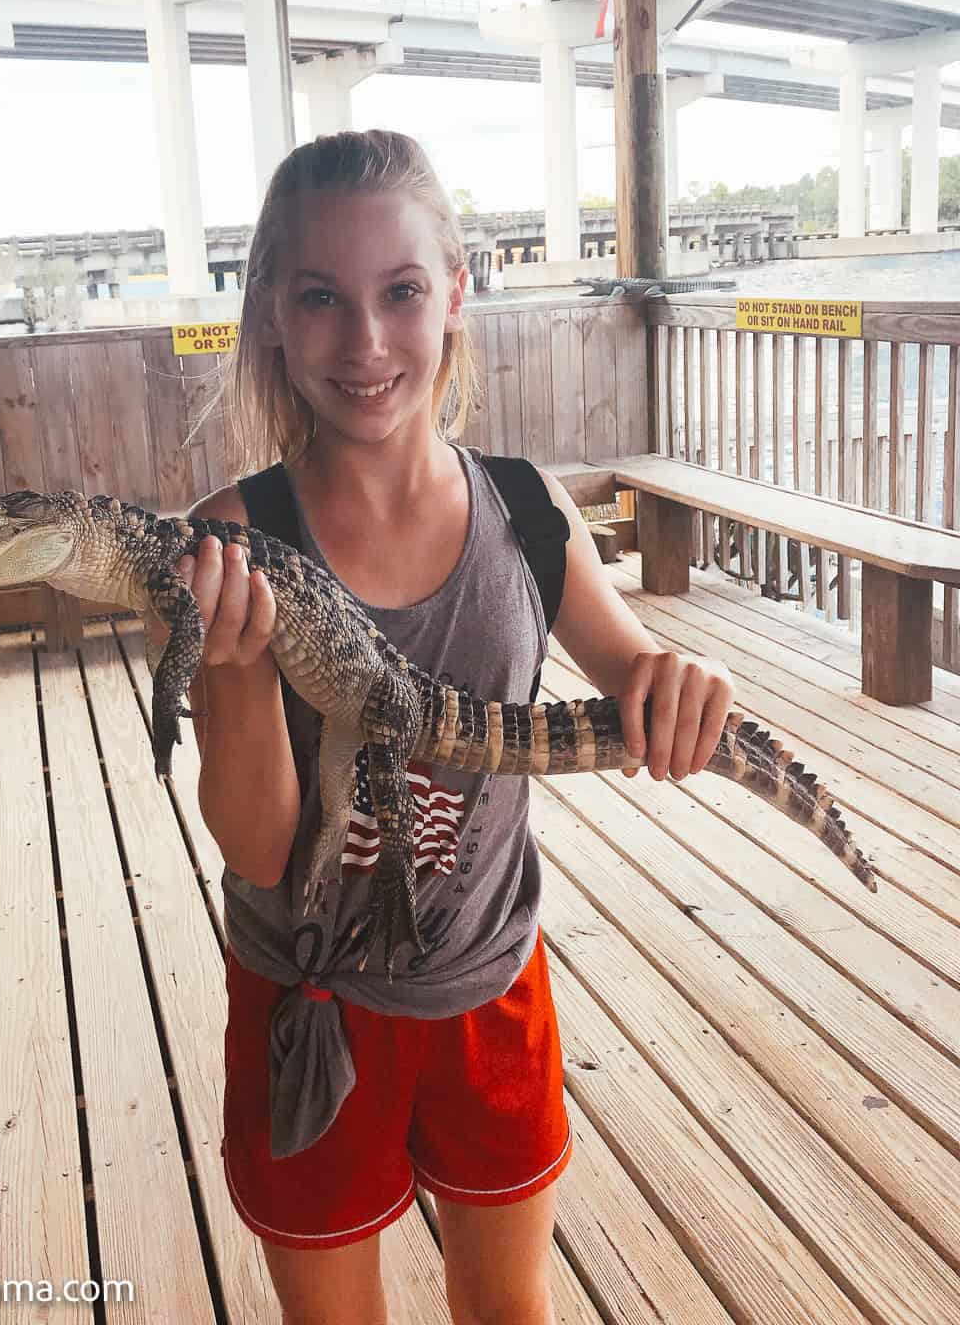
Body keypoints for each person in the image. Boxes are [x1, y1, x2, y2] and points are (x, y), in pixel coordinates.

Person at [155, 130, 733, 1325]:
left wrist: (679, 681)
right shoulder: (228, 537)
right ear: (268, 313)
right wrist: (237, 662)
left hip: (491, 983)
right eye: (321, 298)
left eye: (401, 292)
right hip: (310, 1005)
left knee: (510, 1307)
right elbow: (259, 847)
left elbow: (634, 668)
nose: (365, 343)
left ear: (457, 292)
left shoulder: (527, 509)